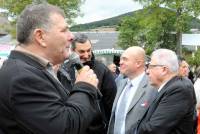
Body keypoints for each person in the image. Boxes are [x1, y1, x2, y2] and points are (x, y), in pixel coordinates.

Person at [0, 3, 104, 134]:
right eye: (64, 30)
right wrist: (84, 86)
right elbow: (64, 128)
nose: (71, 36)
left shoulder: (29, 69)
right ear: (40, 36)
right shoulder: (23, 77)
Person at [58, 33, 117, 133]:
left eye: (88, 50)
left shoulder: (102, 70)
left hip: (96, 129)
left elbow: (110, 102)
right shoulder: (64, 70)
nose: (86, 55)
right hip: (72, 126)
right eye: (81, 51)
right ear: (72, 51)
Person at [135, 49, 196, 134]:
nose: (147, 71)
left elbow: (154, 129)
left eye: (150, 66)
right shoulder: (169, 87)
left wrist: (134, 129)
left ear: (164, 69)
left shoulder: (178, 90)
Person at [107, 46, 157, 134]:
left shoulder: (153, 87)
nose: (120, 62)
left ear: (138, 63)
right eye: (121, 59)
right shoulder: (120, 84)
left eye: (125, 59)